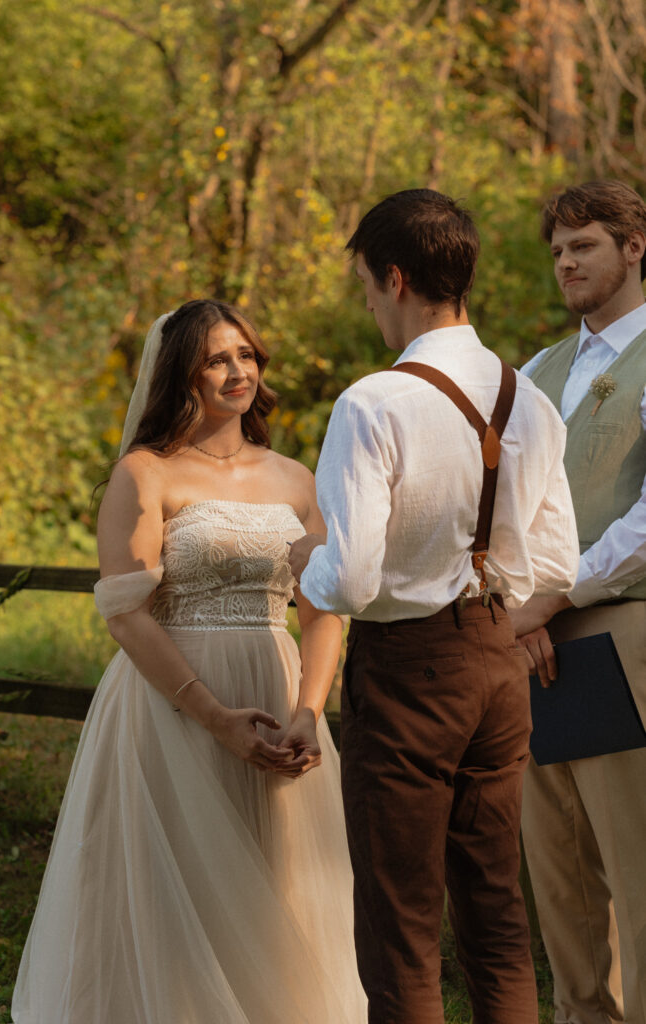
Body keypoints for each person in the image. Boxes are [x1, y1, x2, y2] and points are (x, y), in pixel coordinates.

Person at [11, 298, 367, 1023]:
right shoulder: (145, 474)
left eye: (246, 354)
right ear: (183, 374)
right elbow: (123, 611)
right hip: (171, 703)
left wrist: (308, 709)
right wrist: (211, 715)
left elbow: (326, 607)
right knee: (178, 885)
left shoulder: (298, 478)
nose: (238, 371)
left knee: (280, 885)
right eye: (216, 358)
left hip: (278, 692)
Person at [288, 188, 579, 1024]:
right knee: (497, 915)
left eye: (369, 288)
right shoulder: (530, 397)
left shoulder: (374, 402)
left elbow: (347, 582)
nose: (372, 306)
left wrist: (304, 559)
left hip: (407, 672)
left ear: (395, 275)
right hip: (500, 660)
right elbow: (556, 562)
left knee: (402, 925)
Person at [510, 180, 646, 1024]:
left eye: (584, 245)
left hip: (621, 628)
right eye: (557, 250)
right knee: (556, 870)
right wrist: (521, 609)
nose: (566, 262)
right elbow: (499, 508)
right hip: (528, 640)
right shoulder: (533, 373)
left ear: (635, 247)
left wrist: (557, 594)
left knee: (636, 864)